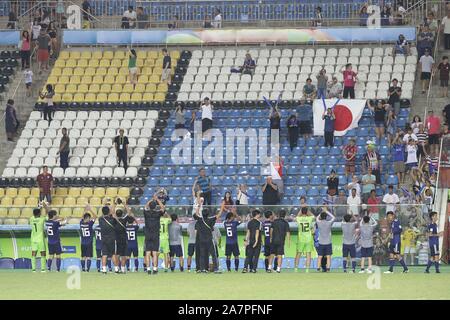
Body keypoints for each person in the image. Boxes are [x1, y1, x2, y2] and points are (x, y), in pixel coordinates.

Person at [143, 195, 166, 275]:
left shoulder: (146, 213)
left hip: (148, 235)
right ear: (155, 207)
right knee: (155, 253)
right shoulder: (158, 213)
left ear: (149, 206)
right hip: (156, 235)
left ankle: (148, 269)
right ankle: (155, 269)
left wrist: (151, 199)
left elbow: (145, 207)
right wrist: (157, 200)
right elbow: (163, 208)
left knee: (148, 253)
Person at [194, 208, 220, 273]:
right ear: (208, 214)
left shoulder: (200, 220)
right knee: (213, 255)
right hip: (209, 240)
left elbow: (195, 214)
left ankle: (202, 269)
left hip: (201, 240)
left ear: (202, 214)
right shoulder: (210, 220)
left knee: (202, 255)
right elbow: (218, 215)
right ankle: (216, 269)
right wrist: (222, 207)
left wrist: (198, 207)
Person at [115, 205, 136, 273]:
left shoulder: (114, 220)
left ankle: (116, 268)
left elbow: (111, 214)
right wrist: (124, 204)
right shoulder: (124, 220)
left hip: (117, 239)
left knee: (117, 255)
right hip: (124, 239)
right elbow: (129, 212)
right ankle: (123, 269)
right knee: (123, 255)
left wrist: (115, 204)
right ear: (122, 214)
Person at [99, 206, 119, 274]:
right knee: (113, 254)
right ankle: (116, 269)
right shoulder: (112, 219)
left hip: (104, 239)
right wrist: (112, 209)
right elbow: (115, 217)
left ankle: (104, 270)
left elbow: (102, 214)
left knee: (104, 255)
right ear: (108, 212)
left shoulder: (100, 219)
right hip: (111, 239)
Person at [294, 207, 315, 273]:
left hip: (301, 239)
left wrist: (301, 209)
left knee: (298, 254)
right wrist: (308, 210)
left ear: (301, 211)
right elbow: (313, 216)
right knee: (308, 254)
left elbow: (297, 216)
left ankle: (296, 268)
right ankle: (307, 269)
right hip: (308, 238)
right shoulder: (310, 218)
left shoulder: (299, 218)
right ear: (307, 212)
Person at [80, 205, 97, 272]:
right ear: (88, 218)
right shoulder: (89, 224)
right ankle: (88, 269)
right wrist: (90, 210)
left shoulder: (81, 223)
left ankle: (83, 269)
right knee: (89, 257)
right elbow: (95, 217)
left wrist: (85, 210)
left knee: (83, 257)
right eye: (89, 218)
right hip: (89, 242)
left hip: (83, 243)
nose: (90, 219)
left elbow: (82, 217)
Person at [30, 208, 47, 272]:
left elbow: (36, 212)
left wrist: (39, 207)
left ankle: (33, 269)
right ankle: (43, 269)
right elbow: (49, 216)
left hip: (33, 239)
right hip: (40, 239)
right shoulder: (42, 219)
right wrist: (44, 207)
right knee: (43, 253)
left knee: (33, 253)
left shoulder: (31, 218)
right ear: (39, 213)